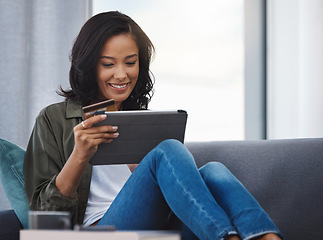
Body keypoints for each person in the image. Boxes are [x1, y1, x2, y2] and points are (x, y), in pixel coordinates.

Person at [23, 11, 282, 240]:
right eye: (108, 64)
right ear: (90, 65)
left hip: (158, 228)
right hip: (100, 231)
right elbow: (42, 217)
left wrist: (147, 171)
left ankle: (267, 237)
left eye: (130, 62)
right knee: (168, 150)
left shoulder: (141, 120)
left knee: (214, 171)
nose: (122, 74)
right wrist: (79, 156)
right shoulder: (53, 119)